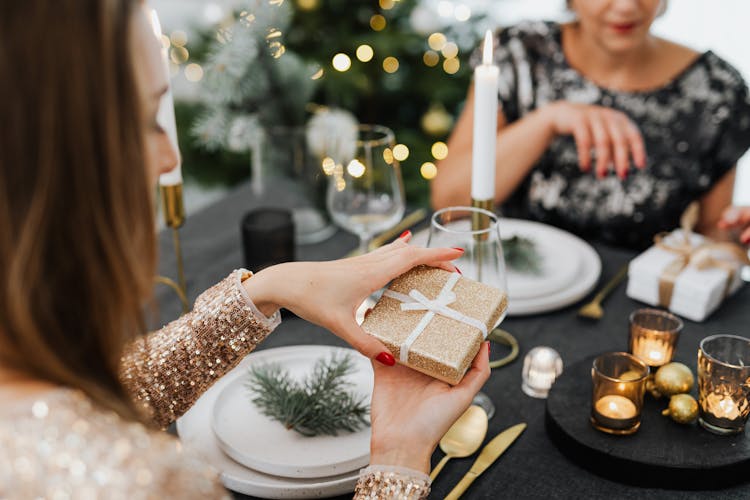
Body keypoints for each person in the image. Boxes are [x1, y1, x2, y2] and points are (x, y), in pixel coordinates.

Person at [0, 1, 489, 497]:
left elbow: (94, 402)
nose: (170, 157)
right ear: (52, 157)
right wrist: (399, 459)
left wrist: (270, 289)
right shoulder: (137, 481)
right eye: (147, 120)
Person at [431, 0, 750, 249]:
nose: (626, 6)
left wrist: (735, 238)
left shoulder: (717, 90)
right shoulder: (521, 53)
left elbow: (711, 234)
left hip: (633, 309)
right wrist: (547, 121)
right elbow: (448, 201)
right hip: (515, 285)